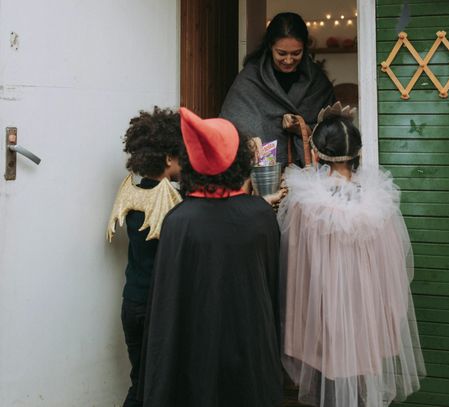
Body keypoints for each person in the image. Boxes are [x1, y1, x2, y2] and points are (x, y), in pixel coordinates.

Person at [277, 103, 425, 407]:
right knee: (358, 382)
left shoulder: (306, 202)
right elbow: (394, 264)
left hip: (323, 307)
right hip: (366, 310)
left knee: (327, 378)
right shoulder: (378, 200)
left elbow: (294, 264)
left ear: (317, 153)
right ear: (358, 153)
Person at [140, 107, 283, 407]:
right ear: (240, 161)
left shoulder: (179, 221)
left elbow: (167, 310)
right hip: (251, 349)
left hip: (195, 359)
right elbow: (272, 287)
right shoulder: (261, 215)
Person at [106, 107, 184, 407]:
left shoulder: (133, 191)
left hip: (133, 302)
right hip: (158, 307)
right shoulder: (173, 201)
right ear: (168, 158)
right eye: (181, 154)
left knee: (141, 381)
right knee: (155, 388)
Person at [220, 12, 335, 167]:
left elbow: (333, 132)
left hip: (308, 174)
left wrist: (303, 128)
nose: (288, 60)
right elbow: (230, 128)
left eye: (296, 53)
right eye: (281, 53)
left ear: (305, 48)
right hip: (260, 173)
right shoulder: (250, 78)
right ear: (270, 47)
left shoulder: (317, 82)